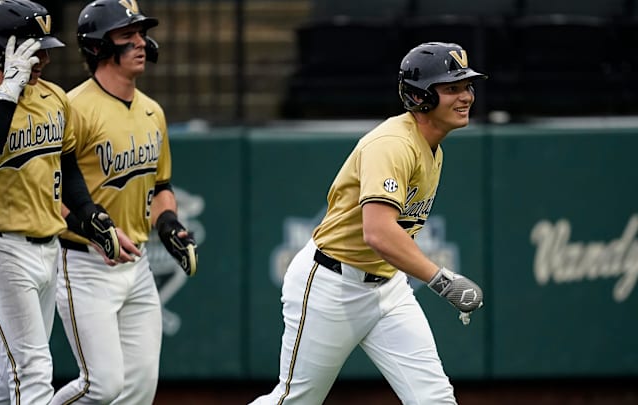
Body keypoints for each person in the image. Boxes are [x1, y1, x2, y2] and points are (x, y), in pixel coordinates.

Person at [250, 42, 486, 405]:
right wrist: (441, 280)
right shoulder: (393, 143)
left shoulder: (431, 145)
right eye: (451, 87)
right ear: (421, 96)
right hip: (331, 282)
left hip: (387, 287)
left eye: (467, 86)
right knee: (295, 400)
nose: (466, 96)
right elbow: (377, 232)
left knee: (434, 399)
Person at [0, 0, 131, 403]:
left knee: (2, 378)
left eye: (44, 48)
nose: (43, 58)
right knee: (32, 369)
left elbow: (66, 162)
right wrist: (7, 91)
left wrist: (89, 214)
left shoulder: (53, 97)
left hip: (47, 248)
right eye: (32, 48)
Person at [50, 0, 197, 403]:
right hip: (84, 263)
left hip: (138, 264)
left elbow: (161, 185)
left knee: (139, 391)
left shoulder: (153, 111)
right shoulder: (72, 107)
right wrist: (90, 229)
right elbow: (49, 189)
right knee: (103, 386)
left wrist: (168, 224)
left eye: (140, 34)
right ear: (98, 46)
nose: (140, 43)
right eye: (126, 35)